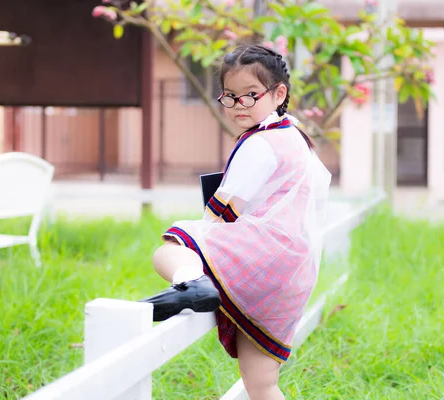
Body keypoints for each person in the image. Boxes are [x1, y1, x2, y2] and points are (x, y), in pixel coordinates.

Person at [140, 43, 331, 400]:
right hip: (294, 271)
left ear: (278, 93)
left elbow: (222, 213)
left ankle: (190, 283)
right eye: (229, 96)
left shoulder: (259, 144)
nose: (239, 105)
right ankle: (197, 285)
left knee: (173, 244)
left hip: (264, 255)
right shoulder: (295, 135)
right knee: (262, 384)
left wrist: (199, 241)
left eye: (250, 95)